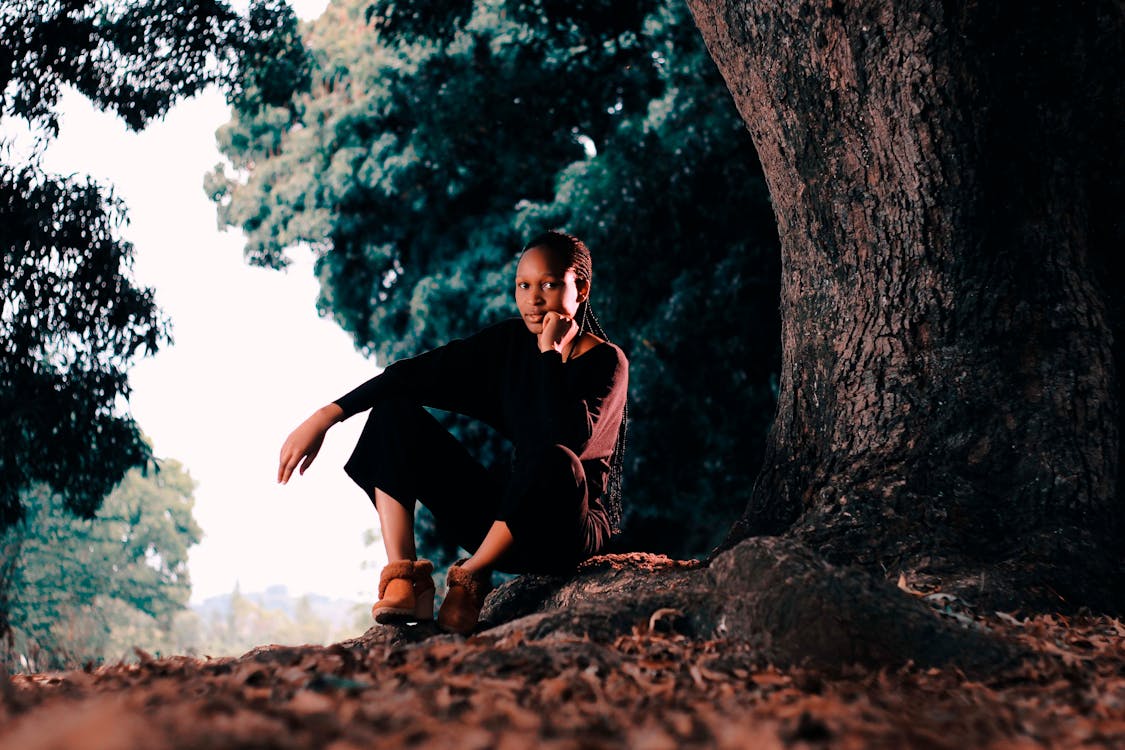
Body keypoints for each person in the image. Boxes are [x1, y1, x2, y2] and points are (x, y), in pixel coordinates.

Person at [276, 230, 630, 635]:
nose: (534, 299)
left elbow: (565, 435)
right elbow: (413, 374)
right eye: (523, 286)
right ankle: (406, 578)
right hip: (508, 525)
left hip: (567, 528)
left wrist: (550, 354)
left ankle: (470, 580)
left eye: (549, 285)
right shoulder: (510, 342)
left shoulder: (608, 362)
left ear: (580, 289)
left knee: (556, 457)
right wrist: (327, 416)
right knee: (393, 413)